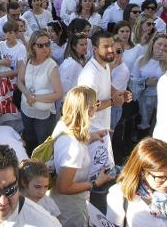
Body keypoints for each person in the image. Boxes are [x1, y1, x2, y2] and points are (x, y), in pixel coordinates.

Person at [50, 86, 115, 227]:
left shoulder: (63, 124)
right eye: (96, 104)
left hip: (61, 201)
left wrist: (91, 137)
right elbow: (63, 187)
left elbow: (73, 136)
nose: (97, 107)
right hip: (70, 208)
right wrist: (95, 183)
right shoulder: (74, 148)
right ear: (88, 110)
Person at [16, 30, 63, 154]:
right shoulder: (26, 60)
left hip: (44, 115)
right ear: (33, 46)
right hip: (26, 108)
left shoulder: (52, 66)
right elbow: (19, 81)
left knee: (43, 145)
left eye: (47, 44)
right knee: (30, 140)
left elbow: (58, 94)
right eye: (40, 45)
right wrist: (27, 94)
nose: (45, 48)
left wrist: (35, 98)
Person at [130, 33, 167, 135]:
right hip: (143, 99)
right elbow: (132, 81)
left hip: (161, 101)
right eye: (159, 44)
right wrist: (145, 83)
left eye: (165, 46)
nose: (162, 48)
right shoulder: (141, 60)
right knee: (142, 126)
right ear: (153, 44)